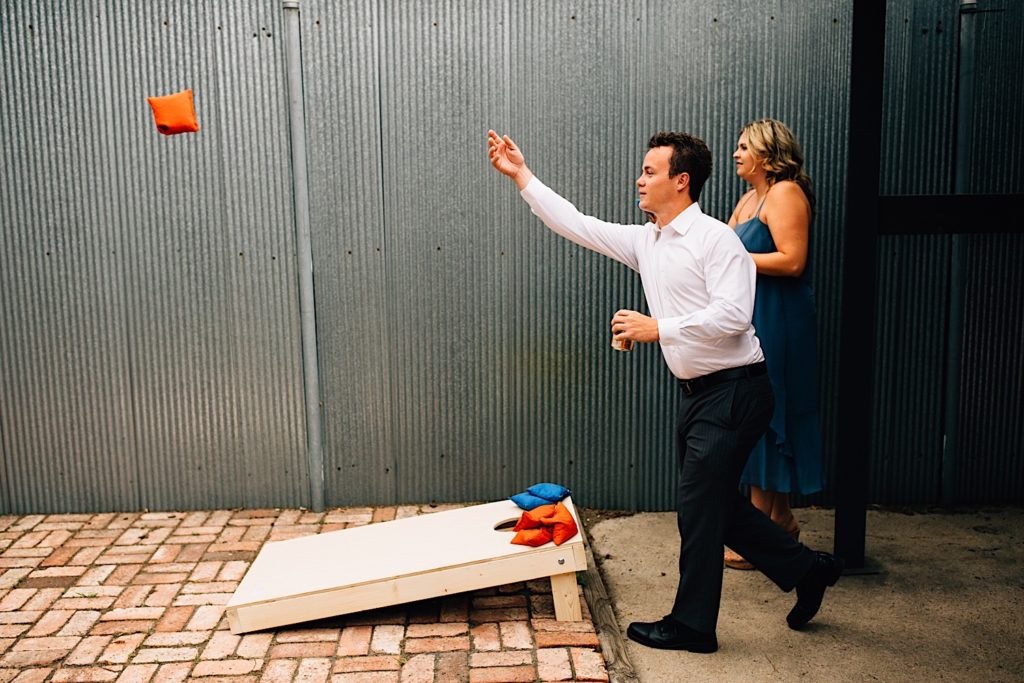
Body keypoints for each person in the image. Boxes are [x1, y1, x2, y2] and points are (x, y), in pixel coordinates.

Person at [487, 128, 843, 653]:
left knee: (698, 509)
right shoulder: (647, 240)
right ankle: (806, 568)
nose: (640, 178)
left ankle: (694, 625)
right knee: (714, 504)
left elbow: (733, 317)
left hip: (737, 392)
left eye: (650, 171)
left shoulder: (715, 240)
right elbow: (578, 225)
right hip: (701, 396)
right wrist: (522, 175)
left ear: (681, 181)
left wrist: (659, 328)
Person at [723, 119, 824, 571]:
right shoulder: (749, 198)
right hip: (753, 313)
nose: (736, 154)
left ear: (767, 154)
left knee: (773, 410)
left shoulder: (785, 193)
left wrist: (734, 260)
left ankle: (767, 524)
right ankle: (777, 521)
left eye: (744, 147)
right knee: (757, 411)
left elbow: (792, 260)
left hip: (780, 317)